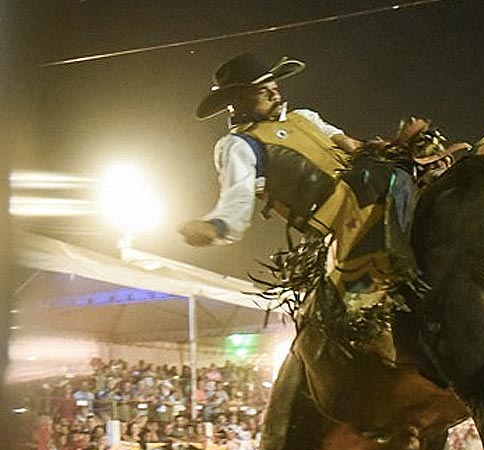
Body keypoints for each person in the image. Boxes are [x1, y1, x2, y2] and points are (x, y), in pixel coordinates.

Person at [179, 53, 432, 317]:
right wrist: (216, 226)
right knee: (391, 182)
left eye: (275, 89)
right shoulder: (238, 145)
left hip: (371, 183)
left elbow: (351, 145)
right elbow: (238, 199)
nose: (276, 96)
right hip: (340, 220)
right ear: (237, 101)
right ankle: (396, 275)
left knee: (414, 174)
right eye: (265, 92)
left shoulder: (304, 117)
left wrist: (394, 145)